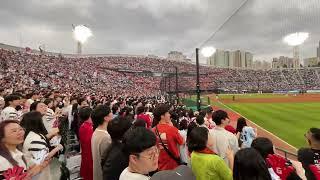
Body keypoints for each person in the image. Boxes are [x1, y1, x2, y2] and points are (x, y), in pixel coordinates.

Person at [20, 111, 59, 180]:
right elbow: (44, 159)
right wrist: (58, 147)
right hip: (38, 174)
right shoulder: (34, 139)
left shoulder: (32, 134)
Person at [153, 104, 184, 170]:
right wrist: (172, 127)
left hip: (159, 165)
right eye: (167, 113)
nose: (169, 115)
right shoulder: (172, 129)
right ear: (162, 116)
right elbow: (182, 142)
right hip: (172, 165)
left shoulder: (153, 130)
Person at [91, 105, 112, 180]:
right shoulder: (105, 137)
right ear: (105, 118)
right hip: (102, 175)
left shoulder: (96, 131)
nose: (112, 114)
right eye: (110, 112)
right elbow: (107, 161)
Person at [78, 107, 93, 180]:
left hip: (86, 153)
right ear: (90, 115)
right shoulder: (89, 128)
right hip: (89, 155)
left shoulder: (84, 125)